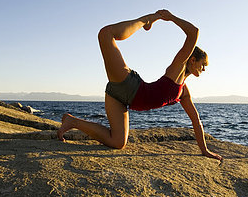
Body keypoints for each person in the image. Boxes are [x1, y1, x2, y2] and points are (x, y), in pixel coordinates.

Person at [57, 10, 223, 164]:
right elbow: (194, 32)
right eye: (203, 64)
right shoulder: (178, 67)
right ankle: (146, 20)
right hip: (129, 85)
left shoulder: (184, 92)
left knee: (118, 142)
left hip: (120, 99)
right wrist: (170, 17)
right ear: (192, 60)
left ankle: (72, 121)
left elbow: (196, 121)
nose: (204, 68)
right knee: (106, 34)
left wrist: (205, 150)